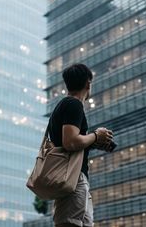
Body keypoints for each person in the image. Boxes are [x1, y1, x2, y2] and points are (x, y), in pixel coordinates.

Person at [49, 63, 114, 227]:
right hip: (73, 178)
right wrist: (95, 136)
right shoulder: (73, 104)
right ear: (88, 83)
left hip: (75, 177)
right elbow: (70, 142)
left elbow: (70, 142)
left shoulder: (66, 105)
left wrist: (94, 142)